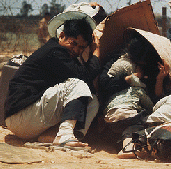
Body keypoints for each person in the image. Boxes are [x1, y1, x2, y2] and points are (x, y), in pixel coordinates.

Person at [4, 8, 101, 149]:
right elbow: (84, 77)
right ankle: (64, 136)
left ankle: (58, 136)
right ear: (61, 36)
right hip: (21, 116)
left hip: (30, 118)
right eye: (73, 43)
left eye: (81, 47)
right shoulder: (55, 52)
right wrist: (97, 53)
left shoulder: (66, 55)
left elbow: (87, 86)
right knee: (77, 84)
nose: (76, 50)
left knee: (92, 100)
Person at [98, 28, 171, 158]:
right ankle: (128, 146)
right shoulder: (118, 61)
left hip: (117, 115)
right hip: (120, 116)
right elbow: (104, 84)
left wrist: (160, 79)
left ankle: (127, 144)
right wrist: (128, 79)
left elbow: (157, 97)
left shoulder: (154, 65)